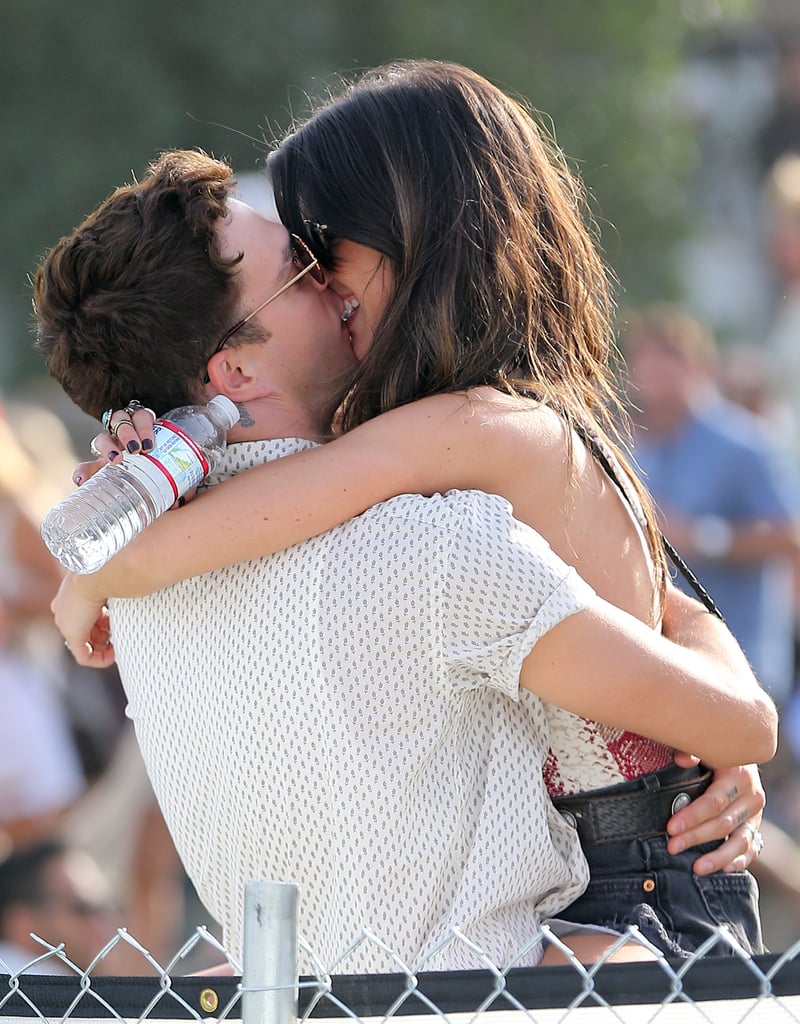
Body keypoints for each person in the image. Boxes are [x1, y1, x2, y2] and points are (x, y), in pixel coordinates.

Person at [33, 69, 774, 965]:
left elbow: (298, 492)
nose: (322, 274)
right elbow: (671, 620)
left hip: (644, 889)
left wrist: (103, 567)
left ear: (417, 240)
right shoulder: (451, 480)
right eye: (299, 262)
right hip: (609, 886)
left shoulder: (472, 440)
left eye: (325, 249)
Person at [622, 304, 800, 709]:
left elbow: (790, 534)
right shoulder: (636, 444)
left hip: (741, 668)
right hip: (666, 664)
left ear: (700, 368)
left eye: (669, 363)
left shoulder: (745, 442)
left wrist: (705, 537)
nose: (655, 376)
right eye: (646, 364)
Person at [0, 839, 119, 975]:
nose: (104, 919)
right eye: (83, 908)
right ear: (22, 923)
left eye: (107, 906)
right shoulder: (35, 983)